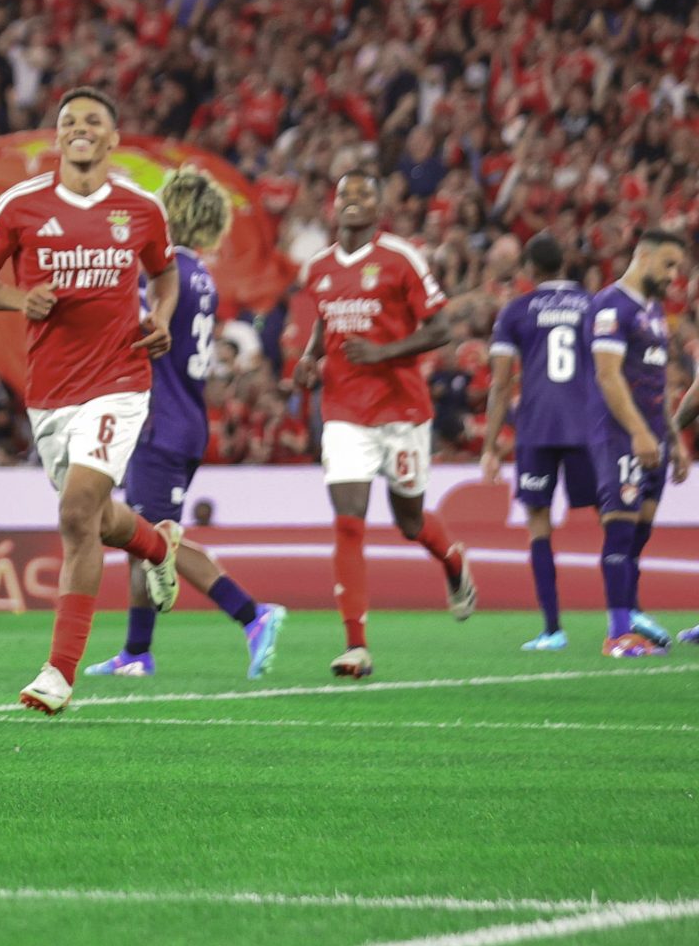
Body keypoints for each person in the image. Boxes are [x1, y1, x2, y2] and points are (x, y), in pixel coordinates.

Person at [0, 87, 184, 715]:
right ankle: (156, 546)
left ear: (114, 140)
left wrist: (162, 315)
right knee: (93, 516)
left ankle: (59, 674)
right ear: (57, 137)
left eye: (93, 122)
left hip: (120, 379)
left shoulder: (141, 209)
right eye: (68, 122)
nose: (79, 129)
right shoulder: (20, 205)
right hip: (51, 390)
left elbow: (164, 273)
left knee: (76, 509)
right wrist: (19, 300)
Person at [85, 167, 286, 679]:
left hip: (160, 421)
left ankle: (251, 613)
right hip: (184, 416)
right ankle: (136, 653)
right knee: (140, 537)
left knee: (155, 538)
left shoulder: (162, 271)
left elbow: (122, 329)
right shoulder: (201, 275)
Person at [291, 169, 476, 678]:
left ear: (378, 207)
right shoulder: (319, 268)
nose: (352, 201)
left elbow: (440, 328)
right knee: (349, 520)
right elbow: (324, 323)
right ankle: (356, 645)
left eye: (363, 194)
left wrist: (383, 352)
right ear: (332, 207)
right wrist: (310, 361)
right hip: (345, 412)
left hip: (401, 410)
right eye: (344, 194)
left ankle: (453, 559)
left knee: (409, 521)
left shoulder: (401, 258)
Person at [476, 234, 598, 650]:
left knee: (539, 527)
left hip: (538, 428)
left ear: (529, 268)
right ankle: (627, 615)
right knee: (614, 519)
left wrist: (491, 446)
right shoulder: (593, 305)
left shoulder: (516, 311)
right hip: (588, 427)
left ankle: (552, 629)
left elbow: (501, 382)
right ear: (565, 263)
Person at [587, 230, 689, 656]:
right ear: (643, 256)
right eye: (668, 265)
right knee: (620, 528)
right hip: (620, 436)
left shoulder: (654, 312)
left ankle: (629, 617)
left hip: (653, 438)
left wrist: (673, 437)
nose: (674, 276)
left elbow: (656, 382)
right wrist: (639, 431)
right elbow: (608, 376)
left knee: (637, 535)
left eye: (678, 268)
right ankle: (616, 634)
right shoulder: (611, 306)